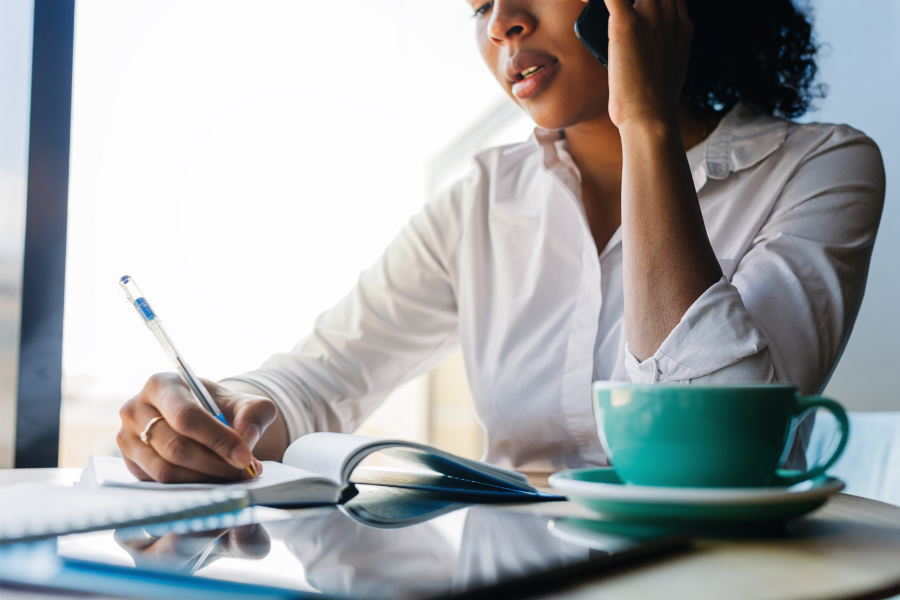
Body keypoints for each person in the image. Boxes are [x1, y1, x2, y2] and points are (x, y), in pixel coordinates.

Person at [116, 0, 885, 482]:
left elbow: (716, 439)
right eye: (481, 2)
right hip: (517, 572)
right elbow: (322, 375)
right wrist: (228, 411)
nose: (501, 23)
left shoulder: (822, 167)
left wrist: (644, 124)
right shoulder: (482, 199)